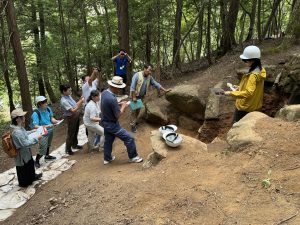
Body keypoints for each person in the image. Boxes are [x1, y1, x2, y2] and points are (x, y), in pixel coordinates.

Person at [101, 76, 143, 165]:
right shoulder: (112, 99)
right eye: (118, 88)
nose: (119, 90)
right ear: (114, 87)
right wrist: (123, 106)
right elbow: (118, 115)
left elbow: (108, 105)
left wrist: (118, 104)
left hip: (105, 121)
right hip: (112, 124)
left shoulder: (104, 93)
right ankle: (133, 157)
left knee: (108, 140)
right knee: (129, 138)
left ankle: (107, 158)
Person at [224, 45, 267, 123]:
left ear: (252, 60)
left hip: (245, 107)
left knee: (236, 126)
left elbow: (248, 93)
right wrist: (239, 87)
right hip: (253, 105)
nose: (244, 62)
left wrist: (230, 93)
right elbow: (253, 87)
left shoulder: (253, 75)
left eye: (245, 60)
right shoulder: (260, 70)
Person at [130, 64, 171, 132]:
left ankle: (135, 121)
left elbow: (156, 84)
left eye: (151, 71)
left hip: (141, 97)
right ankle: (132, 125)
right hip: (134, 96)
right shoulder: (137, 75)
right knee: (133, 111)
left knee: (138, 110)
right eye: (149, 70)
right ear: (144, 69)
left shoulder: (149, 77)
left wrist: (165, 90)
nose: (150, 72)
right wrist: (134, 97)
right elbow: (132, 86)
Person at [10, 108, 42, 187]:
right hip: (21, 154)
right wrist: (36, 138)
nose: (24, 117)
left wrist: (31, 131)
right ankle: (24, 183)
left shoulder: (18, 127)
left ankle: (32, 177)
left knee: (30, 162)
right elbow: (25, 143)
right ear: (17, 119)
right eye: (22, 116)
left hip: (26, 152)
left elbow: (24, 134)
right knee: (24, 167)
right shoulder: (16, 132)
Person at [32, 96, 60, 168]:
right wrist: (47, 126)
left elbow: (51, 117)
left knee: (48, 144)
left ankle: (47, 156)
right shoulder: (36, 113)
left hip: (50, 130)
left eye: (46, 101)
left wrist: (55, 121)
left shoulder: (48, 109)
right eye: (44, 102)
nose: (46, 104)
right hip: (42, 133)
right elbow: (35, 126)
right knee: (43, 147)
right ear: (39, 104)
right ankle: (37, 160)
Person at [60, 84, 84, 155]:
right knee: (70, 133)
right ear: (64, 91)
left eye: (70, 89)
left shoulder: (69, 96)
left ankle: (74, 145)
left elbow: (74, 105)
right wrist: (81, 102)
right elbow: (72, 110)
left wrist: (79, 100)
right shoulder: (63, 101)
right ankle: (68, 149)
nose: (70, 91)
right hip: (71, 117)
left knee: (76, 130)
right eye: (69, 90)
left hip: (76, 115)